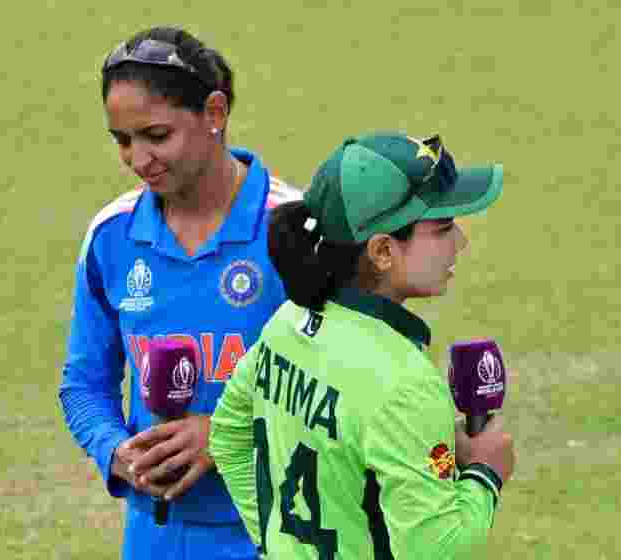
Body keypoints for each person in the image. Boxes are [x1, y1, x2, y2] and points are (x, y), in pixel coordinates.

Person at [209, 132, 516, 559]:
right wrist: (486, 472)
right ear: (383, 251)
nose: (459, 242)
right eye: (443, 228)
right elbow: (435, 548)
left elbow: (227, 434)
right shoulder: (404, 384)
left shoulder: (285, 323)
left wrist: (275, 544)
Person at [58, 26, 301, 560]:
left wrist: (224, 433)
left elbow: (348, 389)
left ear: (214, 113)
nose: (138, 159)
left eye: (156, 135)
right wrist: (114, 450)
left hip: (282, 535)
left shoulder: (295, 230)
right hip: (155, 538)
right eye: (123, 141)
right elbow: (83, 385)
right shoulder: (113, 236)